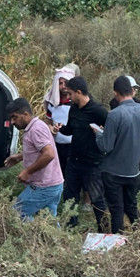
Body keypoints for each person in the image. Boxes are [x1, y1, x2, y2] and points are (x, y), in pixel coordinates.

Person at [95, 75, 140, 233]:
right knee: (132, 207)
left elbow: (105, 146)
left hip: (113, 172)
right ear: (131, 90)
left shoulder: (114, 115)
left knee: (116, 211)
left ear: (116, 93)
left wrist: (98, 133)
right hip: (134, 171)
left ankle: (118, 242)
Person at [57, 77, 109, 231]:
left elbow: (111, 132)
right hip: (74, 161)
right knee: (69, 196)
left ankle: (104, 230)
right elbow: (70, 130)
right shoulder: (74, 109)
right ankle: (71, 226)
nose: (68, 97)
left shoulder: (98, 111)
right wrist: (59, 128)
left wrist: (101, 132)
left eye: (70, 94)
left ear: (79, 92)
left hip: (93, 164)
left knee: (97, 199)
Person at [4, 97, 63, 219]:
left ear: (25, 114)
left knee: (16, 213)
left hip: (43, 186)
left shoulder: (36, 129)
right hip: (53, 184)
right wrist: (20, 157)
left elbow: (49, 154)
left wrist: (27, 171)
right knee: (49, 221)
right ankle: (50, 238)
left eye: (15, 117)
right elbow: (39, 151)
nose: (12, 122)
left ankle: (29, 237)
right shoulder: (37, 126)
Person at [44, 64, 78, 178]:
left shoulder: (76, 102)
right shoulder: (52, 102)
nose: (63, 86)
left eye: (66, 83)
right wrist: (51, 128)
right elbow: (48, 120)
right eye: (60, 83)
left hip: (73, 145)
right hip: (57, 145)